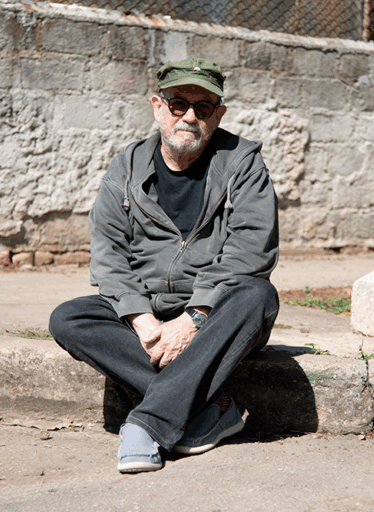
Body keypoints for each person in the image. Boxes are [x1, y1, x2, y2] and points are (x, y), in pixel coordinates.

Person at [49, 57, 280, 473]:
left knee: (257, 296)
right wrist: (144, 322)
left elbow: (252, 249)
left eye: (203, 107)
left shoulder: (243, 163)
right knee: (69, 317)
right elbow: (108, 254)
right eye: (178, 104)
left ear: (218, 115)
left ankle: (148, 423)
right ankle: (210, 409)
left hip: (213, 316)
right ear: (158, 107)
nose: (189, 116)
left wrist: (192, 319)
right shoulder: (126, 166)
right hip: (148, 313)